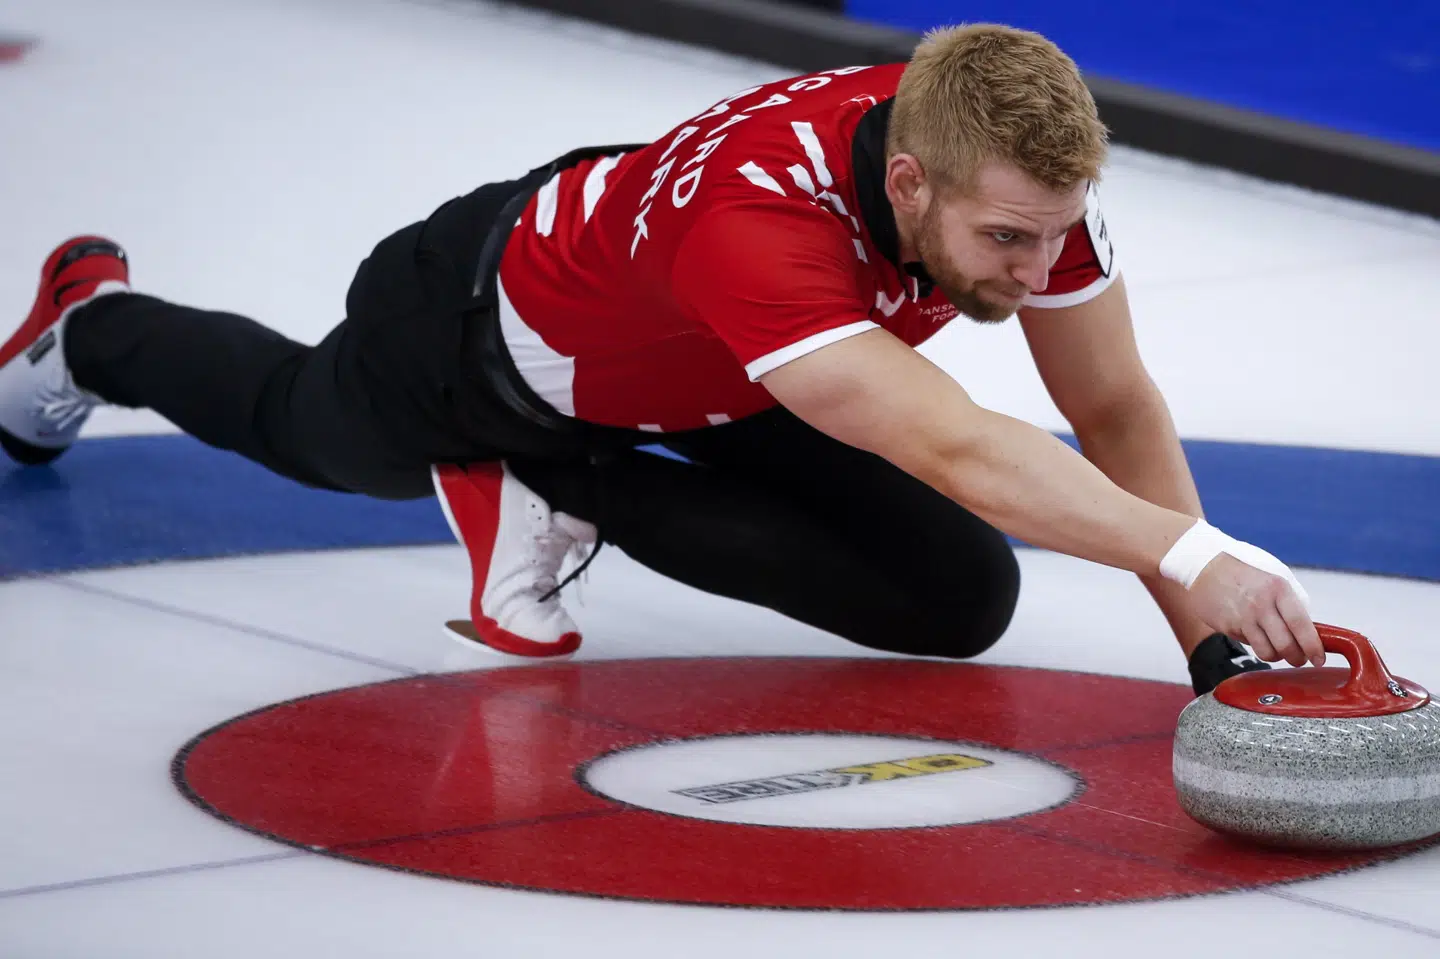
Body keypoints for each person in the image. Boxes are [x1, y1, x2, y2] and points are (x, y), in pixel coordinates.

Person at [0, 23, 1321, 694]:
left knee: (956, 598)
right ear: (908, 182)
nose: (1040, 274)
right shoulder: (759, 225)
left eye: (1056, 238)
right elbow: (961, 442)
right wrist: (1196, 552)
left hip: (730, 364)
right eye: (1009, 243)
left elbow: (1110, 402)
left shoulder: (1014, 187)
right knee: (311, 429)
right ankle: (91, 323)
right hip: (477, 331)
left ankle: (573, 491)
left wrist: (1218, 650)